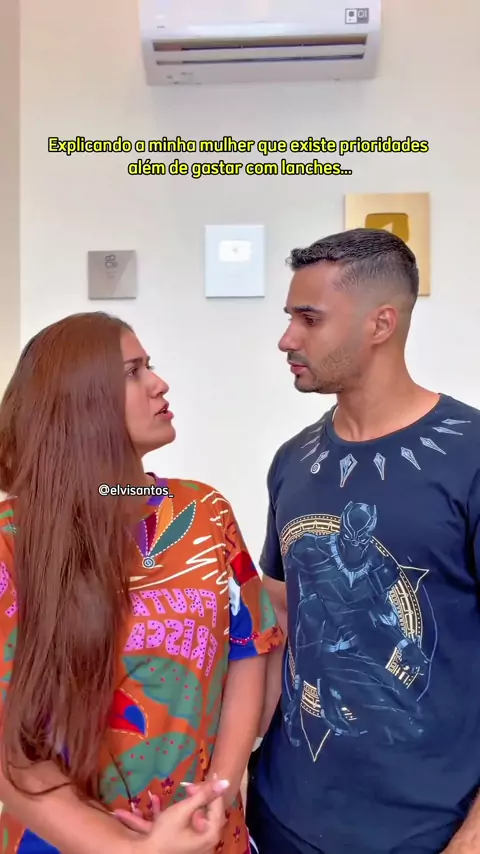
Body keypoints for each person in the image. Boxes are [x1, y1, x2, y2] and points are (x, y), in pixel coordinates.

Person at [0, 311, 283, 854]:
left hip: (206, 833)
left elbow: (248, 649)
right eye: (133, 372)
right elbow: (11, 751)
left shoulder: (203, 512)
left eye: (149, 365)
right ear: (80, 401)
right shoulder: (11, 543)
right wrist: (130, 849)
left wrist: (217, 794)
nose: (160, 383)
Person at [245, 227, 480, 854]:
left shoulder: (472, 456)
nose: (287, 338)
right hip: (283, 819)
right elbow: (279, 619)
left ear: (381, 324)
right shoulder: (292, 461)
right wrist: (229, 768)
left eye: (310, 318)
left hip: (428, 829)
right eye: (290, 317)